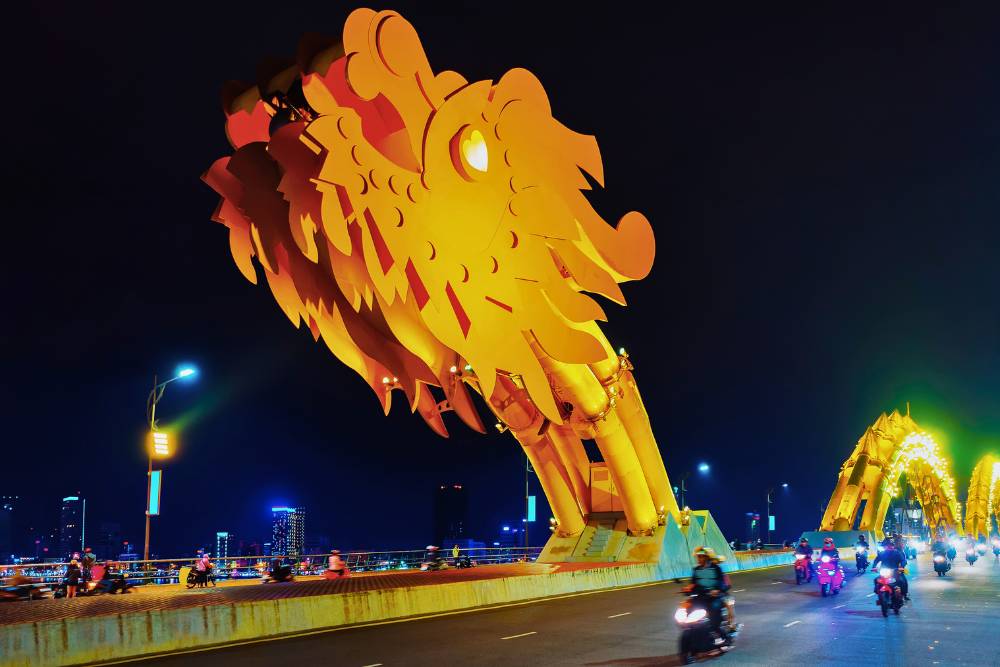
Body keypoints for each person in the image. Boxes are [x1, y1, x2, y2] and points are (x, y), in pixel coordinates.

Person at [689, 546, 730, 640]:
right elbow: (693, 583)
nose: (698, 559)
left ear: (707, 557)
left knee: (714, 611)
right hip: (701, 596)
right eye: (698, 557)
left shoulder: (716, 568)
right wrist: (688, 588)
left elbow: (722, 583)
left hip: (714, 597)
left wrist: (717, 590)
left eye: (701, 556)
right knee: (689, 608)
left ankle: (725, 637)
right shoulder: (696, 570)